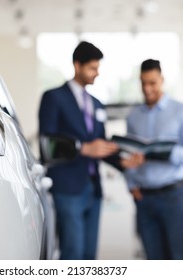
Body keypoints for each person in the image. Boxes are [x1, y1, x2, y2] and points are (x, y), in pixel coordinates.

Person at [39, 41, 134, 260]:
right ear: (77, 65)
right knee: (73, 253)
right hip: (68, 187)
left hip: (94, 189)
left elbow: (99, 146)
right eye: (92, 68)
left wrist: (123, 162)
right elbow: (47, 142)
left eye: (98, 68)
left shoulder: (97, 104)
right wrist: (81, 148)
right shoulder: (54, 97)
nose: (97, 73)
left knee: (90, 255)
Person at [125, 59, 183, 260]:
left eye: (152, 83)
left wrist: (168, 152)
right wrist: (131, 183)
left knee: (179, 257)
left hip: (173, 195)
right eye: (143, 83)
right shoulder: (133, 117)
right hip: (144, 199)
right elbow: (129, 154)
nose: (147, 88)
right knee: (153, 259)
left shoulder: (182, 112)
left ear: (162, 80)